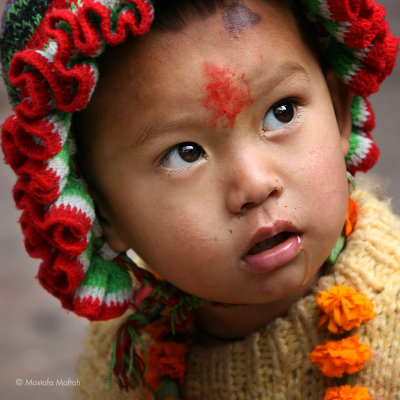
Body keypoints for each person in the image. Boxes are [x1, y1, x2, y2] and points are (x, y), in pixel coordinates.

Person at [1, 0, 399, 398]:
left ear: (339, 110)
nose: (256, 186)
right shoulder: (123, 368)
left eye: (281, 112)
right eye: (184, 153)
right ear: (99, 212)